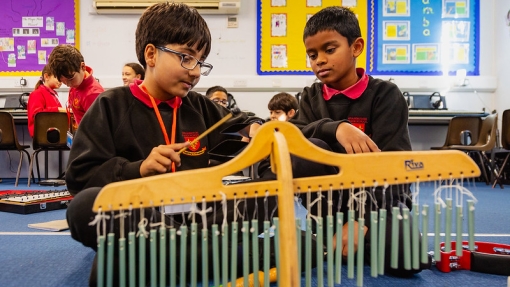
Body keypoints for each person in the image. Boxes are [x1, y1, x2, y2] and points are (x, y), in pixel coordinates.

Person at [65, 3, 270, 286]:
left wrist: (258, 127)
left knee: (265, 191)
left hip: (200, 219)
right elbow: (80, 177)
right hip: (141, 218)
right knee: (84, 207)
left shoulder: (199, 106)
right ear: (151, 54)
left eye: (201, 61)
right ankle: (219, 256)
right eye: (187, 58)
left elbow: (243, 121)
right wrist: (138, 169)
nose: (196, 71)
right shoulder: (110, 105)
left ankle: (160, 257)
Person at [262, 6, 429, 277]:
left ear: (356, 47)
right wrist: (335, 128)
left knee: (407, 259)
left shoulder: (386, 95)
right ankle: (329, 232)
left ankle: (353, 237)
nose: (319, 61)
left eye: (330, 50)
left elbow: (396, 168)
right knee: (312, 147)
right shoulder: (309, 96)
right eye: (312, 54)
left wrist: (362, 220)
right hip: (327, 206)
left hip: (379, 205)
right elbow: (296, 136)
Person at [47, 44, 104, 125]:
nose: (68, 84)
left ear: (83, 66)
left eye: (70, 78)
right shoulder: (77, 83)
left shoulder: (93, 94)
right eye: (63, 81)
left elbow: (99, 130)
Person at [27, 64, 65, 137]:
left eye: (62, 78)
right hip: (44, 133)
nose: (61, 81)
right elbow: (37, 115)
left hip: (52, 130)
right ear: (46, 76)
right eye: (58, 77)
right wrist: (58, 109)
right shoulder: (37, 93)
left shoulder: (52, 94)